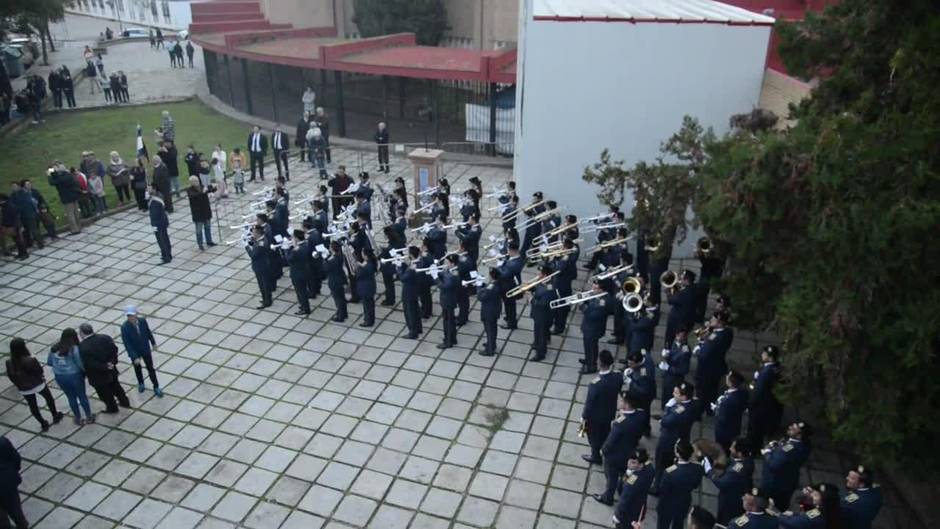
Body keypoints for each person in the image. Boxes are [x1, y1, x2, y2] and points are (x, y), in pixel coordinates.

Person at [593, 393, 648, 505]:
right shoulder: (641, 414)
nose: (618, 402)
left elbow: (611, 441)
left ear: (626, 405)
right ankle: (622, 489)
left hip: (614, 456)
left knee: (611, 477)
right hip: (630, 452)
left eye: (621, 400)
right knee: (626, 473)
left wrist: (603, 451)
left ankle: (608, 497)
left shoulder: (620, 423)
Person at [6, 338, 63, 431]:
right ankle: (55, 415)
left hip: (24, 389)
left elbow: (11, 376)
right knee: (49, 398)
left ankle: (43, 423)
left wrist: (18, 385)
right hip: (37, 384)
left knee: (33, 406)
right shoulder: (30, 360)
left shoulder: (9, 362)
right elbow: (39, 371)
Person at [654, 382, 701, 491]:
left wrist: (668, 408)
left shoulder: (679, 410)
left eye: (676, 393)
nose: (673, 394)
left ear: (683, 397)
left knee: (662, 462)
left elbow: (665, 421)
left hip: (669, 439)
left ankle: (657, 486)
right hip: (682, 437)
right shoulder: (693, 403)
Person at [581, 350, 623, 465]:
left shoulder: (595, 384)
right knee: (605, 432)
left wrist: (584, 416)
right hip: (609, 412)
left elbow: (589, 404)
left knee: (593, 437)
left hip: (595, 417)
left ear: (600, 363)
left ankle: (596, 456)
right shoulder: (618, 376)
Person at [78, 323, 130, 414]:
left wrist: (105, 366)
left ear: (82, 333)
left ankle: (112, 408)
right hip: (111, 371)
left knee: (105, 394)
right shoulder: (105, 337)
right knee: (116, 387)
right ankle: (125, 402)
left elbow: (90, 363)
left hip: (98, 376)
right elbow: (114, 350)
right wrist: (112, 363)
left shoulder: (83, 347)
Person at [760, 421, 812, 510]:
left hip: (774, 483)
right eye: (792, 425)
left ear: (799, 435)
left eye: (794, 429)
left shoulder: (787, 450)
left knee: (769, 505)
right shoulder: (805, 445)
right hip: (789, 480)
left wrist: (767, 452)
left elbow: (773, 464)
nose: (790, 428)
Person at [47, 328, 94, 425]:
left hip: (60, 376)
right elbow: (80, 363)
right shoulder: (74, 349)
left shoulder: (54, 348)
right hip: (74, 376)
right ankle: (89, 416)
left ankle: (78, 418)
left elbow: (49, 362)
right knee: (82, 396)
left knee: (71, 397)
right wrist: (85, 371)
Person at [656, 439, 704, 529]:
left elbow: (663, 490)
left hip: (667, 504)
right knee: (678, 523)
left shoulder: (669, 473)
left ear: (678, 454)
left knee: (663, 524)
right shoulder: (698, 468)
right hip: (683, 502)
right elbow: (696, 485)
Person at [694, 309, 734, 410]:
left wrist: (700, 347)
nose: (711, 320)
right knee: (712, 390)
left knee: (702, 390)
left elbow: (704, 354)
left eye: (713, 319)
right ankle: (709, 408)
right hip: (717, 366)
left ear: (719, 322)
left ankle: (700, 410)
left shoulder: (717, 337)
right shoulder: (727, 332)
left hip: (707, 368)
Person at [709, 437, 755, 525]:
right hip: (739, 494)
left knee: (724, 522)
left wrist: (709, 472)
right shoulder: (747, 459)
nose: (730, 449)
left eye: (732, 448)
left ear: (740, 453)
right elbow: (730, 462)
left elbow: (721, 483)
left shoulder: (736, 470)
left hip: (730, 502)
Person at [120, 306, 163, 396]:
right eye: (129, 316)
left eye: (132, 315)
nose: (131, 318)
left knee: (150, 368)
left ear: (136, 314)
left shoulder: (142, 321)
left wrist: (153, 343)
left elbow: (148, 332)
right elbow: (127, 344)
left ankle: (156, 386)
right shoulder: (125, 327)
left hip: (145, 349)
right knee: (137, 368)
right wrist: (134, 357)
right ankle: (141, 383)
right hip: (135, 352)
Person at [748, 345, 784, 448]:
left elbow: (759, 392)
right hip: (768, 404)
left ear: (770, 357)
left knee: (755, 430)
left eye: (764, 354)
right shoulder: (775, 367)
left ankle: (753, 449)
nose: (762, 355)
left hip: (760, 406)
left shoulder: (766, 373)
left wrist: (750, 404)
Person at [612, 448, 655, 529]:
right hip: (639, 507)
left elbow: (624, 499)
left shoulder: (632, 481)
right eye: (630, 460)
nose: (629, 463)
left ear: (641, 465)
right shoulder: (650, 469)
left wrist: (617, 516)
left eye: (633, 462)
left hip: (627, 515)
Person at [714, 370, 750, 453]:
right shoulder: (743, 393)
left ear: (730, 383)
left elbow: (721, 417)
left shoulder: (727, 401)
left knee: (722, 449)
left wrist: (716, 408)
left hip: (723, 430)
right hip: (735, 426)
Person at [579, 280, 609, 374]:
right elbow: (589, 303)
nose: (592, 289)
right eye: (593, 287)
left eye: (595, 288)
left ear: (601, 290)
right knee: (587, 345)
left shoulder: (603, 302)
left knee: (591, 347)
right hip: (589, 327)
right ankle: (588, 359)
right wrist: (582, 298)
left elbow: (594, 315)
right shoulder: (595, 295)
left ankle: (591, 366)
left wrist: (582, 306)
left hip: (594, 329)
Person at [529, 265, 557, 361]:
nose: (538, 275)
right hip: (538, 313)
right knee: (537, 331)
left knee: (541, 334)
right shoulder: (543, 282)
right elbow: (538, 290)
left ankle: (540, 353)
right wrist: (531, 289)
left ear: (545, 275)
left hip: (543, 315)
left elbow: (543, 303)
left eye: (540, 274)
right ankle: (537, 344)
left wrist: (531, 299)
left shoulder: (549, 288)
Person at [0, 435, 29, 529]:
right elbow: (15, 458)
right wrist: (12, 472)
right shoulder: (2, 442)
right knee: (15, 509)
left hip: (7, 482)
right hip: (8, 483)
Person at [661, 327, 691, 407]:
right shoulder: (675, 343)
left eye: (680, 335)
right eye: (677, 334)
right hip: (668, 376)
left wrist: (669, 368)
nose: (677, 337)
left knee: (670, 398)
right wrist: (667, 354)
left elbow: (684, 369)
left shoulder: (685, 350)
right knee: (665, 395)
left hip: (675, 378)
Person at [47, 163, 82, 234]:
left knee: (70, 214)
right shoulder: (68, 175)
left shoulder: (59, 178)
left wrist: (49, 174)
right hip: (74, 195)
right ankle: (79, 226)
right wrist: (52, 170)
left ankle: (74, 229)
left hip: (66, 198)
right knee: (76, 212)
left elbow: (52, 182)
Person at [399, 247, 423, 339]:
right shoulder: (419, 262)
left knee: (410, 312)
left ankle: (413, 332)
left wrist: (399, 267)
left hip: (408, 291)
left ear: (411, 255)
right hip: (415, 290)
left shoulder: (412, 268)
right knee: (415, 310)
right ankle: (418, 328)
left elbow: (403, 278)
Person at [186, 177, 215, 250]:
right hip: (198, 213)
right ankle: (200, 243)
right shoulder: (190, 190)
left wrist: (214, 187)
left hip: (206, 211)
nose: (197, 182)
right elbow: (195, 196)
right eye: (194, 181)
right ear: (191, 183)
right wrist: (203, 192)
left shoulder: (202, 187)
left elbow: (210, 190)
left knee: (207, 227)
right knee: (199, 230)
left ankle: (209, 241)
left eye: (197, 180)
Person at [437, 255, 460, 349]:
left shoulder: (453, 274)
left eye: (447, 263)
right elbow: (444, 275)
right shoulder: (450, 271)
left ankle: (448, 341)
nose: (446, 264)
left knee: (448, 321)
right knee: (449, 320)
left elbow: (444, 286)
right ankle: (452, 338)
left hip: (448, 300)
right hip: (448, 299)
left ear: (452, 264)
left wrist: (436, 278)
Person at [9, 182, 41, 250]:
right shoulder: (12, 195)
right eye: (12, 187)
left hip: (29, 213)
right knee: (25, 231)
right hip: (21, 216)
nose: (13, 188)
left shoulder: (24, 193)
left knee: (34, 229)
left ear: (18, 186)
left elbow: (28, 203)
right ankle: (29, 243)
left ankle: (40, 243)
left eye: (14, 186)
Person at [149, 186, 173, 264]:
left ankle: (166, 257)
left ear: (154, 189)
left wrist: (153, 225)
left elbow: (155, 214)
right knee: (165, 239)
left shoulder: (155, 201)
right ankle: (167, 254)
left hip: (158, 223)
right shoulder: (158, 196)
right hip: (162, 222)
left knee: (162, 240)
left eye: (149, 188)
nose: (147, 190)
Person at [325, 241, 348, 321]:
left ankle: (340, 316)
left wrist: (325, 259)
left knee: (338, 299)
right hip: (340, 279)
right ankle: (344, 314)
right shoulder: (340, 256)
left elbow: (325, 268)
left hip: (334, 281)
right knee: (342, 298)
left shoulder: (332, 260)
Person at [0, 194, 27, 260]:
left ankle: (25, 254)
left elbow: (16, 217)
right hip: (11, 226)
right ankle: (20, 253)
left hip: (15, 226)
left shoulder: (10, 206)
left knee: (20, 241)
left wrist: (16, 226)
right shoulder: (5, 206)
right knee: (16, 241)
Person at [356, 248, 378, 327]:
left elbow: (358, 275)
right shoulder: (370, 263)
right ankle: (369, 319)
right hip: (370, 286)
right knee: (370, 304)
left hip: (366, 287)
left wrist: (359, 267)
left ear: (365, 255)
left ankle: (368, 321)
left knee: (367, 305)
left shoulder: (366, 266)